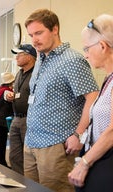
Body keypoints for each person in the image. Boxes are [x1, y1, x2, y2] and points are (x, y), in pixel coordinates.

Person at [23, 9, 99, 191]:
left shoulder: (71, 60)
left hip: (55, 145)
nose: (34, 40)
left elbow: (93, 97)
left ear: (55, 29)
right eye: (31, 35)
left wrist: (78, 134)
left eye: (39, 33)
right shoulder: (41, 58)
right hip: (31, 141)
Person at [68, 14, 113, 191]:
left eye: (87, 49)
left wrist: (84, 163)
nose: (85, 55)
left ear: (102, 46)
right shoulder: (108, 79)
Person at [6, 43, 36, 175]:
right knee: (14, 156)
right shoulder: (19, 74)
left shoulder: (37, 73)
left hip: (29, 120)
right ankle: (19, 184)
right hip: (16, 118)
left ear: (30, 57)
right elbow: (19, 94)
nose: (16, 58)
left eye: (19, 54)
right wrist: (10, 96)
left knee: (29, 157)